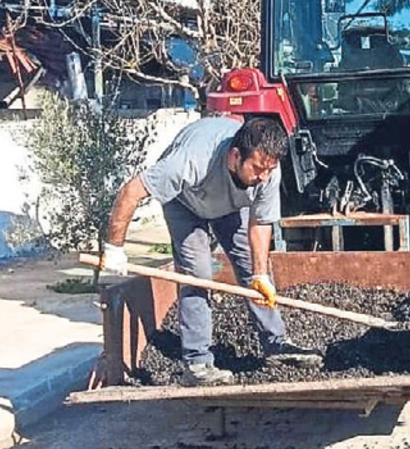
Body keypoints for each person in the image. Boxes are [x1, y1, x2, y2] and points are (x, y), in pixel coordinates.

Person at [101, 116, 321, 386]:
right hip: (185, 203)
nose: (263, 176)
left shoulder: (266, 173)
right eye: (257, 168)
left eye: (268, 169)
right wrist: (114, 249)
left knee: (253, 268)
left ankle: (276, 344)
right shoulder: (189, 161)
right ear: (235, 155)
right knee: (198, 274)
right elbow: (130, 192)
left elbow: (261, 222)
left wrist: (260, 275)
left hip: (230, 206)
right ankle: (197, 363)